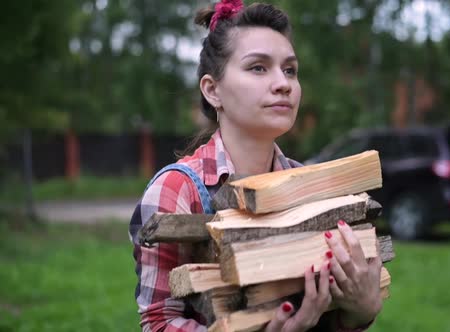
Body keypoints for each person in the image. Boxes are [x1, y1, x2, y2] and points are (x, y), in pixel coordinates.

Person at [128, 1, 383, 331]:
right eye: (258, 68)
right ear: (212, 90)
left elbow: (330, 313)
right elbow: (158, 323)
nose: (283, 83)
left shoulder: (311, 188)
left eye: (290, 70)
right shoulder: (178, 189)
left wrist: (358, 314)